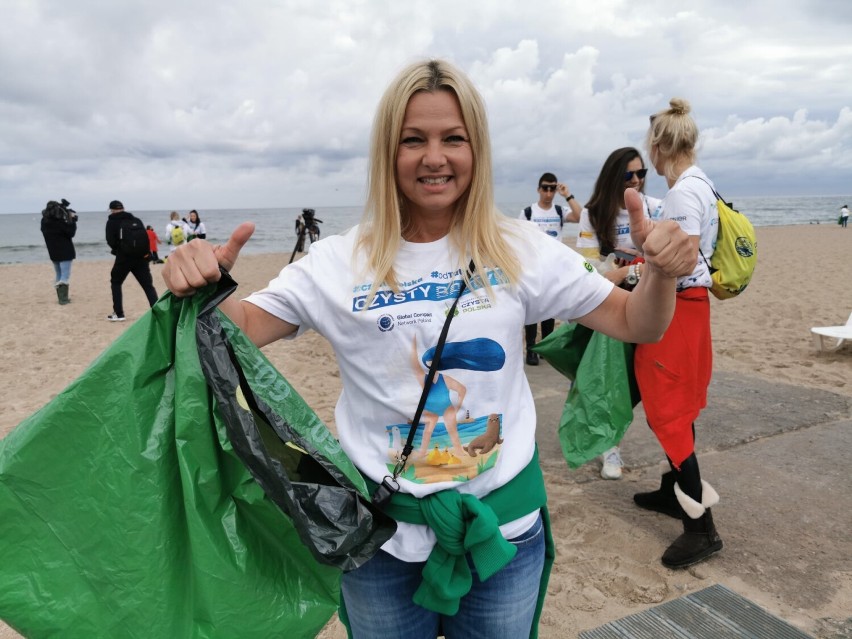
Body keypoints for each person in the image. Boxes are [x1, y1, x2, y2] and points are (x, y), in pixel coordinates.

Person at [162, 59, 695, 638]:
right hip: (380, 544)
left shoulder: (519, 248)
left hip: (503, 536)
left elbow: (636, 323)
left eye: (453, 139)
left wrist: (663, 273)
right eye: (413, 139)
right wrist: (201, 283)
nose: (434, 157)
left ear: (477, 150)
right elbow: (237, 327)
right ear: (387, 153)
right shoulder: (340, 262)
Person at [631, 98, 724, 569]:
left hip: (678, 311)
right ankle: (674, 491)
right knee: (676, 405)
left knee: (667, 408)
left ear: (660, 144)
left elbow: (678, 265)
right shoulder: (701, 183)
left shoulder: (682, 193)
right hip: (692, 310)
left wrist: (639, 268)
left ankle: (700, 528)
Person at [576, 147, 661, 480]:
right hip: (608, 304)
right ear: (613, 178)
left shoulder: (652, 207)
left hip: (648, 303)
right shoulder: (592, 214)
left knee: (650, 379)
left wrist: (635, 267)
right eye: (629, 175)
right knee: (609, 380)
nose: (637, 180)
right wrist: (631, 270)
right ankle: (610, 448)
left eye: (641, 174)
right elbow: (588, 269)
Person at [518, 172, 582, 365]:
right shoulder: (528, 212)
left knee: (549, 310)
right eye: (545, 188)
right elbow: (519, 238)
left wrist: (567, 195)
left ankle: (545, 348)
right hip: (532, 267)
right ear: (538, 189)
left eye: (552, 188)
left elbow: (579, 216)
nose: (548, 192)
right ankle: (531, 350)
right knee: (532, 310)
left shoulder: (559, 211)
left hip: (553, 268)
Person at [105, 200, 159, 321]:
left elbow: (110, 240)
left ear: (112, 210)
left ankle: (119, 314)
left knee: (116, 282)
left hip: (124, 258)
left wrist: (117, 250)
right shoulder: (136, 220)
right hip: (141, 258)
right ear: (123, 208)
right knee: (148, 286)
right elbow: (144, 239)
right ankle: (158, 312)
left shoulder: (112, 222)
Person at [40, 198, 78, 305]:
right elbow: (71, 233)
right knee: (65, 275)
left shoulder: (44, 222)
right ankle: (63, 299)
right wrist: (72, 221)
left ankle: (61, 297)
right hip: (65, 251)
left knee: (59, 274)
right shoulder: (59, 222)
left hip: (53, 251)